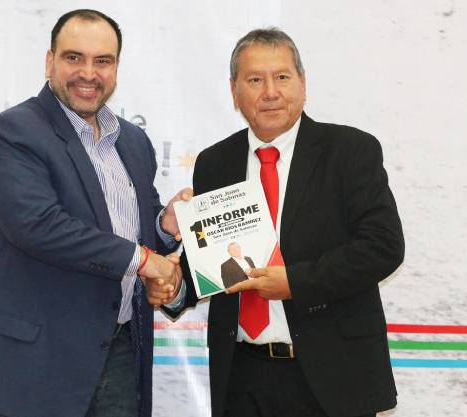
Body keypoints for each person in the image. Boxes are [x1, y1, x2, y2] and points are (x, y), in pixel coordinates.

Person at [154, 27, 405, 417]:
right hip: (241, 376)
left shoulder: (350, 151)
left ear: (303, 83)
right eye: (255, 80)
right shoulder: (215, 163)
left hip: (334, 377)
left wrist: (295, 283)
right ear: (234, 91)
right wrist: (172, 288)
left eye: (282, 77)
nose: (270, 92)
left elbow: (383, 247)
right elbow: (213, 262)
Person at [0, 9, 188, 417]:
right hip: (39, 362)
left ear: (116, 68)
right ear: (50, 61)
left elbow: (135, 232)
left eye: (103, 61)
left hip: (120, 351)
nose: (88, 73)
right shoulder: (12, 133)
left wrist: (163, 226)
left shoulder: (133, 141)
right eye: (74, 58)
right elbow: (38, 226)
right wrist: (144, 260)